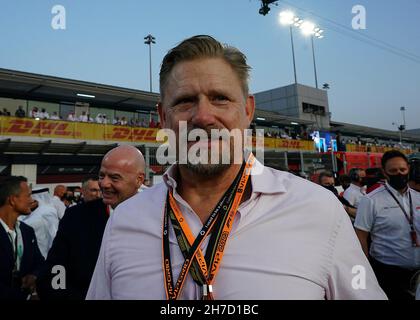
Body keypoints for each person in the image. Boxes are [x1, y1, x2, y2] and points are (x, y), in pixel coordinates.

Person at [87, 35, 385, 300]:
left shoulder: (318, 209)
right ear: (163, 118)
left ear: (247, 111)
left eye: (220, 98)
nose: (203, 116)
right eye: (185, 101)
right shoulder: (124, 221)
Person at [37, 145, 146, 300]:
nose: (104, 184)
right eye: (102, 176)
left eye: (114, 178)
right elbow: (55, 271)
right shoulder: (76, 217)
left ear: (139, 180)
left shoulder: (159, 218)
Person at [355, 150, 420, 300]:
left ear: (408, 169)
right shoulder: (371, 200)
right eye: (393, 171)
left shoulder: (418, 197)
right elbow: (361, 237)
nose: (399, 174)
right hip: (388, 273)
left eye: (402, 170)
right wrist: (364, 270)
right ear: (384, 172)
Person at [0, 176, 44, 300]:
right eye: (28, 195)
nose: (32, 200)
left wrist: (33, 276)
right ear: (13, 200)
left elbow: (40, 263)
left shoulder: (27, 232)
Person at [19, 188, 59, 259]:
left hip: (44, 253)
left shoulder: (48, 211)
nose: (31, 201)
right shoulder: (28, 212)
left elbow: (53, 234)